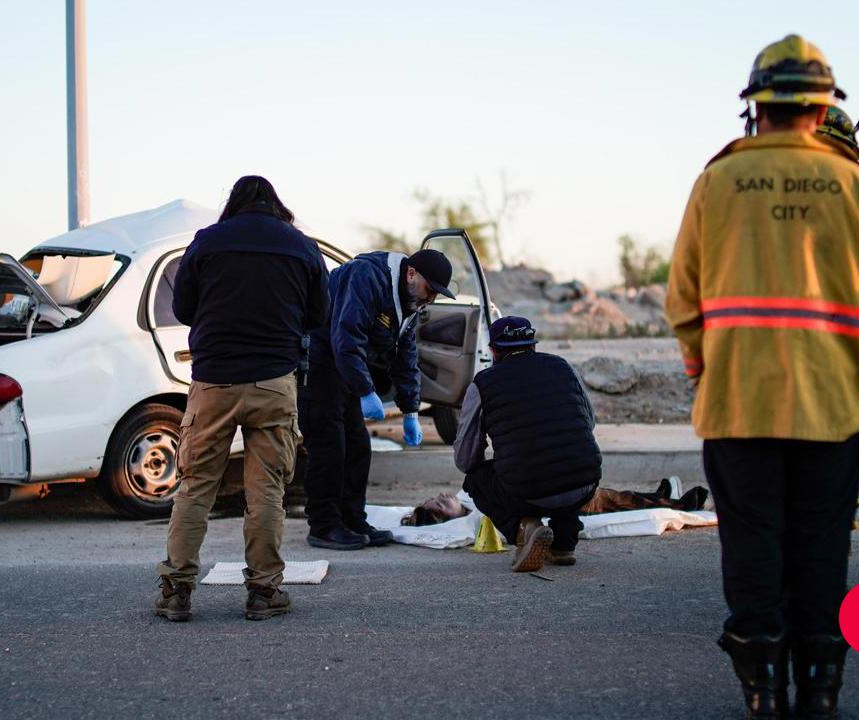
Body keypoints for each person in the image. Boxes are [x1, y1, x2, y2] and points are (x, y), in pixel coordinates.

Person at [665, 35, 859, 718]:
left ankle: (761, 693)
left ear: (756, 108)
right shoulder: (858, 186)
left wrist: (704, 372)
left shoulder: (718, 180)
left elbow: (682, 298)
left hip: (737, 407)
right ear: (822, 108)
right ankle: (821, 694)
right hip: (831, 411)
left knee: (752, 549)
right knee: (821, 549)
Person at [156, 176, 329, 622]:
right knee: (267, 491)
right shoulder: (301, 246)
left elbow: (183, 309)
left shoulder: (207, 242)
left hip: (214, 380)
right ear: (277, 205)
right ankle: (265, 593)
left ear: (232, 204)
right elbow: (318, 315)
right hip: (274, 382)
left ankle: (176, 592)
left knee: (196, 487)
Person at [302, 246, 455, 550]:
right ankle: (324, 526)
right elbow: (346, 336)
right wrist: (365, 390)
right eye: (430, 289)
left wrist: (410, 409)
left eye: (437, 294)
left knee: (358, 446)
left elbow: (406, 356)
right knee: (329, 446)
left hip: (345, 366)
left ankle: (353, 519)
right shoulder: (367, 276)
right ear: (411, 274)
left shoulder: (410, 303)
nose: (430, 298)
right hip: (320, 361)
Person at [453, 316, 602, 571]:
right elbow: (588, 423)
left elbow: (465, 458)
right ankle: (564, 543)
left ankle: (524, 529)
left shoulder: (483, 384)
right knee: (565, 465)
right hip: (585, 482)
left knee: (475, 479)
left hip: (528, 492)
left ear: (493, 351)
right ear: (533, 345)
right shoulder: (563, 367)